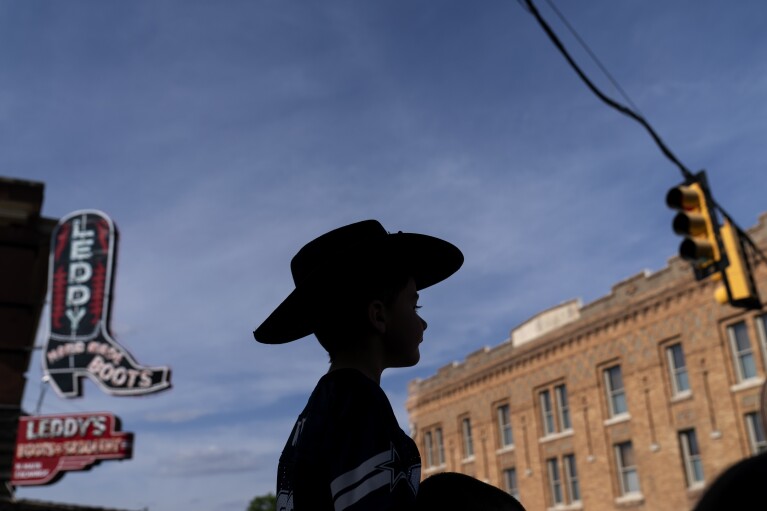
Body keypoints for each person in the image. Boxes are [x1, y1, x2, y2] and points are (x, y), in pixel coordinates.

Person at [254, 219, 463, 511]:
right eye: (415, 305)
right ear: (379, 316)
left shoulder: (317, 413)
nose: (423, 321)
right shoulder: (361, 405)